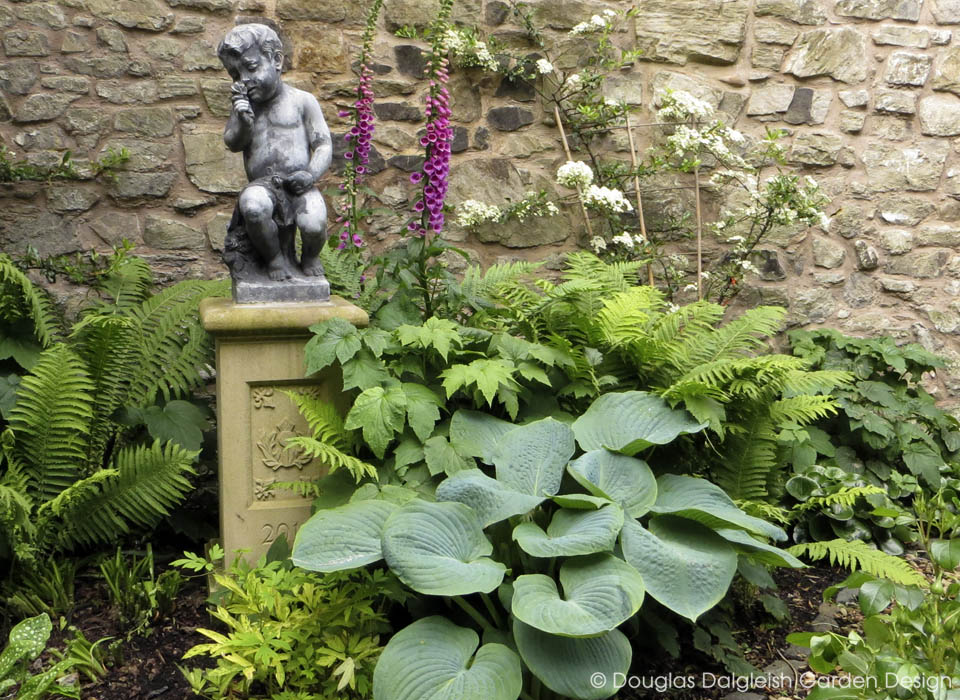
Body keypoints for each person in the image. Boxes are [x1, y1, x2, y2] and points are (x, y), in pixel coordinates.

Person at [217, 24, 331, 281]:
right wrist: (243, 122)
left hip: (300, 183)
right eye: (235, 74)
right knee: (253, 208)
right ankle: (274, 259)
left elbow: (323, 144)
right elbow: (232, 143)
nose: (243, 80)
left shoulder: (302, 101)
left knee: (314, 224)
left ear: (276, 60)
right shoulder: (244, 107)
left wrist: (310, 175)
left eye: (252, 67)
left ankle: (310, 257)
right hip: (263, 185)